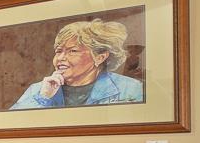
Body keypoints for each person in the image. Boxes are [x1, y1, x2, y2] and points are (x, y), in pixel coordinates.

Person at [10, 18, 144, 109]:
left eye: (72, 51)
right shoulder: (38, 90)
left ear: (100, 57)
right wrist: (43, 98)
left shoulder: (130, 88)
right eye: (58, 51)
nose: (61, 58)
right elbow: (15, 125)